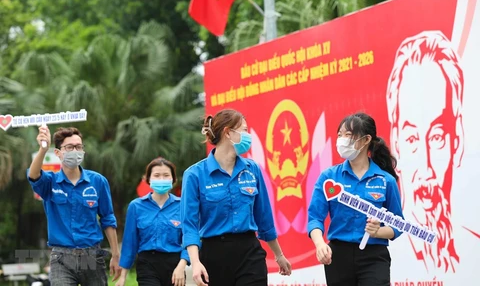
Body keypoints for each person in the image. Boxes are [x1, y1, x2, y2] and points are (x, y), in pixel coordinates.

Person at [180, 109, 292, 286]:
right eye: (244, 130)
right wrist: (195, 263)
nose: (248, 135)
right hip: (214, 255)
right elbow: (190, 225)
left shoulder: (252, 169)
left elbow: (264, 218)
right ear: (228, 133)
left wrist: (279, 255)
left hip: (249, 252)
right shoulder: (195, 175)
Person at [386, 31, 464, 272]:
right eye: (412, 138)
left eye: (437, 137)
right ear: (396, 144)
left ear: (457, 141)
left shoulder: (471, 247)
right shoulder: (382, 257)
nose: (426, 169)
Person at [307, 113, 403, 286]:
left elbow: (398, 224)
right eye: (339, 135)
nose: (342, 140)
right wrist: (320, 244)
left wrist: (378, 232)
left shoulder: (385, 180)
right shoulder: (329, 178)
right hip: (338, 256)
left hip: (374, 256)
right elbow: (315, 218)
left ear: (366, 139)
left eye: (348, 136)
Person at [27, 126, 121, 286]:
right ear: (57, 153)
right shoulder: (50, 182)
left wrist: (116, 254)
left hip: (92, 255)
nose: (75, 151)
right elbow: (33, 175)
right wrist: (43, 148)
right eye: (69, 147)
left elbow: (108, 218)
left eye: (78, 147)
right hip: (61, 258)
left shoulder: (97, 181)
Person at [116, 157, 189, 286]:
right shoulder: (136, 206)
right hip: (147, 264)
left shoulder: (182, 205)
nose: (161, 179)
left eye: (166, 175)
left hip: (175, 264)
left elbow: (189, 238)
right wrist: (123, 276)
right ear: (148, 179)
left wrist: (182, 265)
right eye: (156, 175)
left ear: (173, 180)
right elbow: (130, 243)